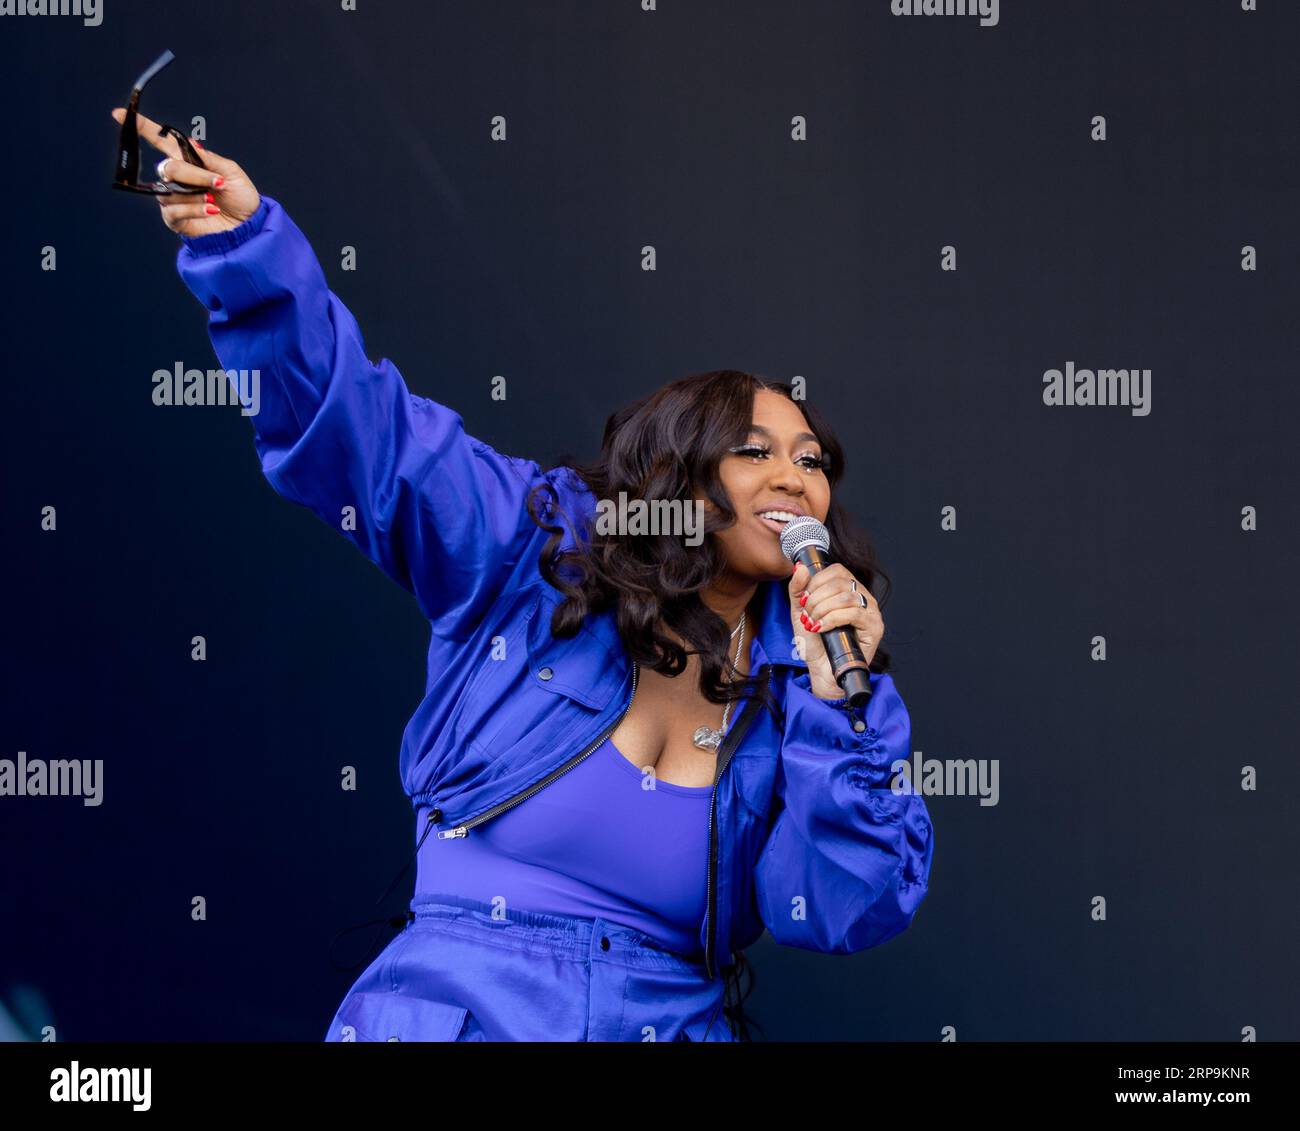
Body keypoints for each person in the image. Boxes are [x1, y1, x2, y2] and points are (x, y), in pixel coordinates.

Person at [112, 108, 935, 1042]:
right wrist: (248, 253)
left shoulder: (807, 676)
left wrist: (841, 711)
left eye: (814, 459)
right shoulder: (537, 552)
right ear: (679, 468)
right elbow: (367, 436)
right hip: (462, 1012)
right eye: (754, 450)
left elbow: (835, 908)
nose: (795, 475)